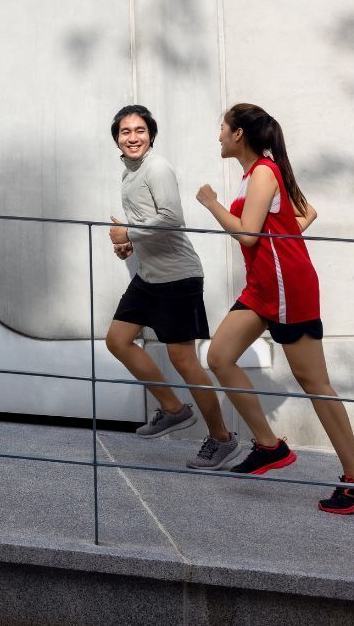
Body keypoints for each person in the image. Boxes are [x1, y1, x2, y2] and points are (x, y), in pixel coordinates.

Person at [196, 102, 354, 513]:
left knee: (315, 382)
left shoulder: (264, 171)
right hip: (261, 287)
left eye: (223, 128)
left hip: (286, 287)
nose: (219, 135)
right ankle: (269, 446)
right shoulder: (256, 174)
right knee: (219, 357)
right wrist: (281, 240)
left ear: (238, 134)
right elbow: (304, 213)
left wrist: (211, 203)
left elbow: (247, 235)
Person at [106, 105, 242, 470]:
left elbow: (171, 219)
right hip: (149, 276)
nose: (132, 137)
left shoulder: (157, 168)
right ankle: (173, 409)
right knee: (118, 340)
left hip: (178, 278)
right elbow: (149, 225)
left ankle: (222, 439)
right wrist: (129, 245)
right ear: (117, 139)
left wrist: (128, 232)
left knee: (184, 361)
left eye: (140, 130)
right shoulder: (129, 173)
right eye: (125, 132)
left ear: (151, 134)